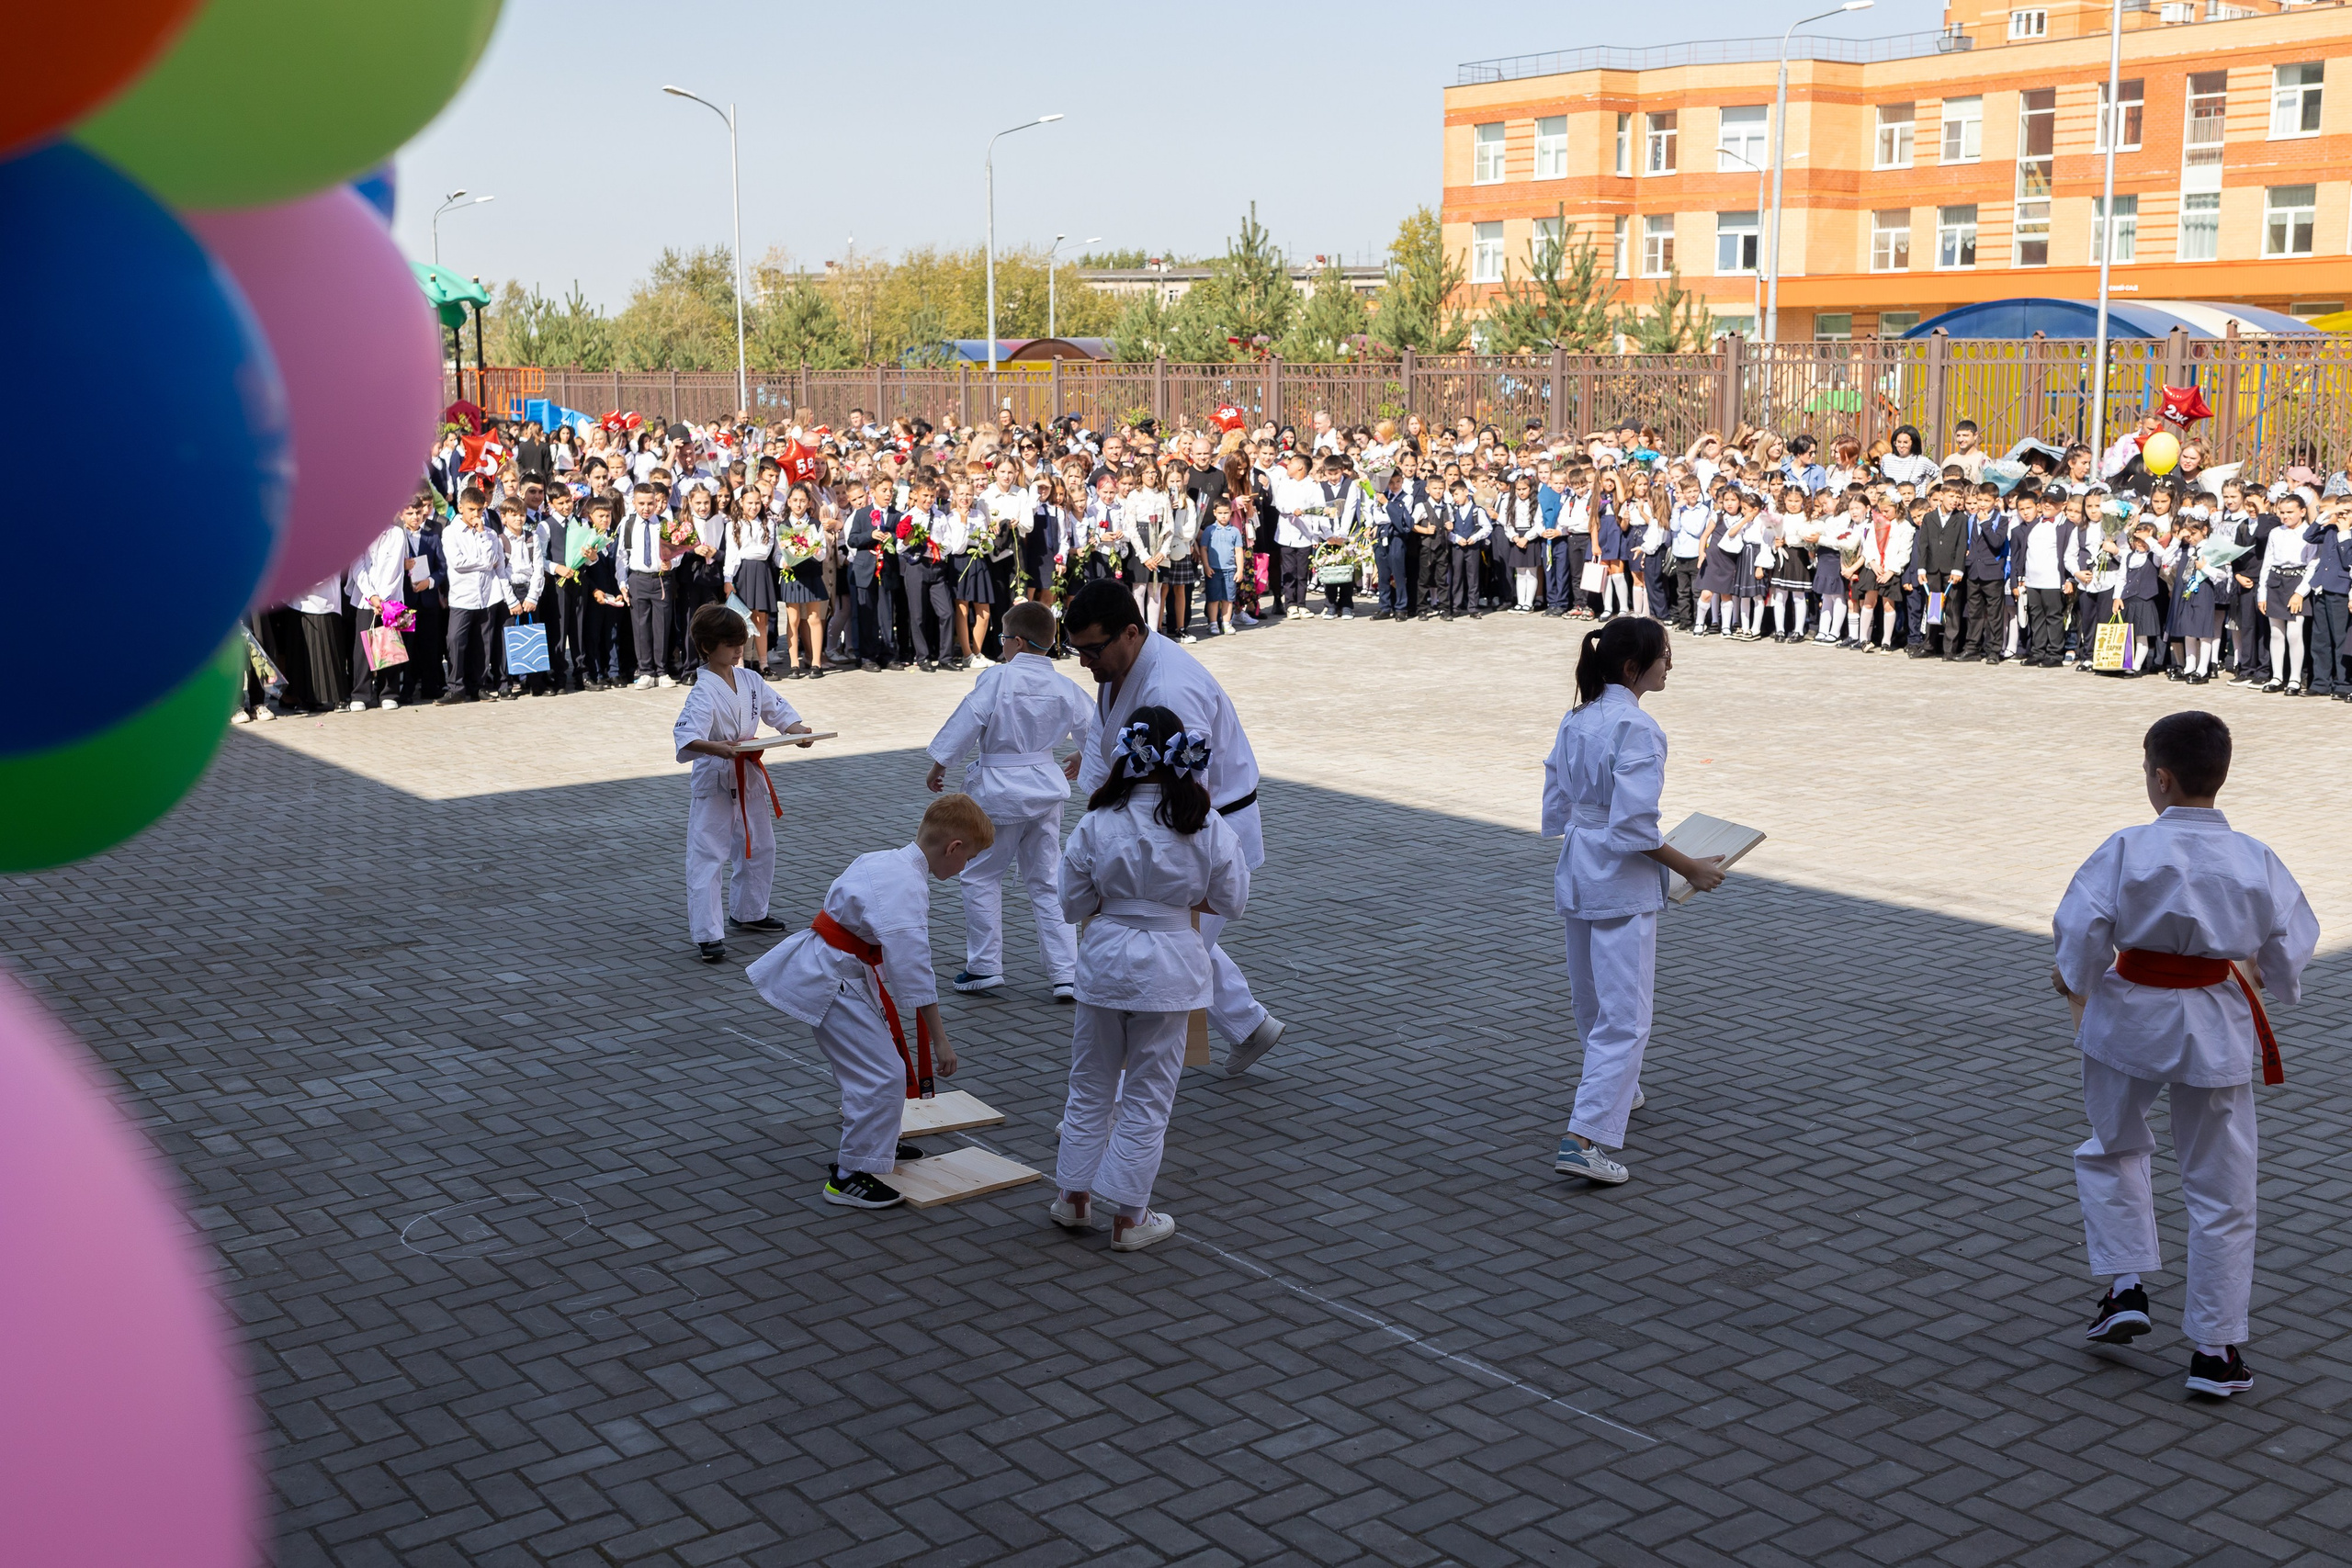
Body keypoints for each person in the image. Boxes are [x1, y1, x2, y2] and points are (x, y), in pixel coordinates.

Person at [2052, 711, 2315, 1397]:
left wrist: (2075, 979)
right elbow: (2291, 940)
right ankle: (2214, 1348)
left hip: (2127, 1015)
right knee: (2222, 1187)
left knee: (2112, 1146)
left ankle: (2127, 1285)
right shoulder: (2254, 856)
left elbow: (2081, 927)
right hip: (2215, 1024)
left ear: (2160, 779)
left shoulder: (2128, 848)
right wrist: (2271, 974)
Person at [1062, 581, 1284, 1075]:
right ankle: (1249, 1026)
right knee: (1177, 936)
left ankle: (1118, 1100)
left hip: (1202, 832)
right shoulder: (1121, 662)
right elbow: (1111, 736)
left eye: (1091, 650)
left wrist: (1113, 839)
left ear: (1130, 633)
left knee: (1153, 960)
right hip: (1165, 819)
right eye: (1074, 650)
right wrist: (1097, 770)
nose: (1083, 663)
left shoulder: (1169, 690)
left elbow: (1183, 791)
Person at [1051, 705, 1250, 1253]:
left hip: (1105, 959)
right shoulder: (1204, 823)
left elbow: (1071, 904)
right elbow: (1233, 900)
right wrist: (1178, 899)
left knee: (1090, 1084)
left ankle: (1073, 1199)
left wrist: (1117, 900)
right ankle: (1130, 1217)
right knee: (1148, 1094)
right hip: (1170, 966)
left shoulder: (1096, 820)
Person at [1543, 617, 1725, 1186]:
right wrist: (1691, 866)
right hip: (1619, 881)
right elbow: (1637, 829)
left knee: (1593, 999)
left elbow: (1556, 799)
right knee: (1625, 1017)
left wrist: (1580, 829)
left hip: (1580, 869)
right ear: (1633, 667)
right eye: (1664, 655)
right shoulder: (1637, 727)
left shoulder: (1579, 717)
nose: (1670, 664)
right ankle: (1585, 1136)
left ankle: (1620, 1088)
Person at [745, 794, 994, 1210]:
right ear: (953, 848)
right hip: (833, 978)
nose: (964, 868)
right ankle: (849, 1175)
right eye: (967, 859)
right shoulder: (905, 887)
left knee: (878, 1067)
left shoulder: (883, 860)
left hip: (839, 968)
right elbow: (914, 968)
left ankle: (879, 1144)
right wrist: (940, 1040)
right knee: (881, 1075)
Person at [924, 601, 1101, 1000]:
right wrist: (1083, 755)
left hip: (999, 791)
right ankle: (1066, 973)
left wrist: (940, 764)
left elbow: (968, 720)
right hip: (1045, 789)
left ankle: (984, 966)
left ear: (1018, 642)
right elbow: (1098, 729)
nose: (1001, 646)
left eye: (1003, 639)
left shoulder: (997, 680)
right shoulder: (1065, 686)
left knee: (982, 874)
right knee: (1046, 880)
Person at [672, 604, 813, 964]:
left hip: (747, 775)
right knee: (708, 855)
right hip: (716, 778)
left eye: (740, 643)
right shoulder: (703, 691)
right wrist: (716, 747)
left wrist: (796, 730)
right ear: (706, 647)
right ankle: (707, 934)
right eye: (730, 644)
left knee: (761, 846)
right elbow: (687, 737)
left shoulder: (750, 679)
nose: (738, 650)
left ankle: (749, 912)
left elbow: (776, 710)